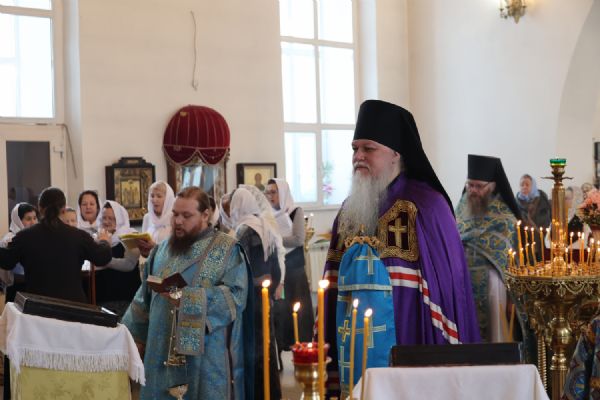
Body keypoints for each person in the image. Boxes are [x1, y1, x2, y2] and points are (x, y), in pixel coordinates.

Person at [321, 100, 480, 397]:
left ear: (396, 153)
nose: (358, 156)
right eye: (355, 149)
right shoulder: (348, 212)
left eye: (368, 149)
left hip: (411, 347)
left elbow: (447, 294)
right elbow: (330, 289)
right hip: (353, 352)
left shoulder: (427, 207)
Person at [122, 187, 252, 399]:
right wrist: (127, 338)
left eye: (186, 215)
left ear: (205, 215)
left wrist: (190, 298)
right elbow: (142, 301)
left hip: (205, 358)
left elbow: (236, 297)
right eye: (175, 214)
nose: (178, 221)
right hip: (159, 354)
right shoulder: (161, 250)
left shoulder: (227, 249)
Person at [0, 187, 112, 303]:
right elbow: (102, 257)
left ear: (40, 209)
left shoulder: (25, 236)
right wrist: (104, 241)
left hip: (37, 305)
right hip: (73, 306)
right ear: (63, 210)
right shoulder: (78, 236)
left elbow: (6, 261)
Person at [455, 155, 521, 343]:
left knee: (494, 333)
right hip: (463, 278)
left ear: (491, 186)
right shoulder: (462, 206)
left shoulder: (505, 217)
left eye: (478, 186)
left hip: (492, 280)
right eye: (470, 185)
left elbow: (510, 255)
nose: (473, 191)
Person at [225, 187, 283, 400]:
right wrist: (270, 289)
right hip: (265, 296)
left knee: (252, 349)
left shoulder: (243, 230)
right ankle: (271, 393)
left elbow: (237, 269)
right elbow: (276, 269)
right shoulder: (265, 226)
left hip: (250, 298)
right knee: (267, 348)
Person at [265, 179, 314, 356]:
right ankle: (282, 346)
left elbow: (299, 239)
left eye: (273, 192)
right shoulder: (267, 215)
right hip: (278, 269)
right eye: (267, 192)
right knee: (281, 311)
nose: (270, 196)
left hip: (295, 270)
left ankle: (302, 350)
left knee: (298, 311)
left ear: (283, 192)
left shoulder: (295, 211)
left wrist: (276, 240)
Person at [95, 200, 142, 317]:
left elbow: (129, 264)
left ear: (120, 219)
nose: (106, 222)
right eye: (104, 218)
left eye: (111, 218)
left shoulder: (131, 235)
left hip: (124, 297)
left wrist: (104, 260)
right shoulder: (97, 238)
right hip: (101, 298)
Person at [0, 203, 38, 301]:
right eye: (28, 219)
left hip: (34, 289)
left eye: (35, 218)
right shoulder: (9, 239)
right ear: (18, 221)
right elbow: (5, 272)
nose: (33, 222)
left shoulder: (37, 238)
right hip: (17, 289)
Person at [515, 174, 552, 260]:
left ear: (533, 186)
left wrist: (536, 230)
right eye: (522, 185)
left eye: (527, 185)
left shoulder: (542, 201)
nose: (524, 187)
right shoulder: (516, 203)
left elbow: (546, 220)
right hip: (523, 242)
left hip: (540, 241)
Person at [137, 181, 175, 257]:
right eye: (152, 196)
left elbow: (177, 252)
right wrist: (143, 250)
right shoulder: (147, 218)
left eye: (159, 196)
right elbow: (145, 254)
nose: (154, 200)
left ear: (168, 199)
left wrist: (154, 247)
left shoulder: (175, 218)